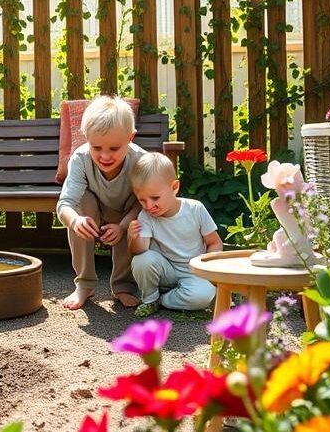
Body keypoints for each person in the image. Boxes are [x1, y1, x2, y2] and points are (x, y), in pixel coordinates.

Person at [56, 96, 146, 310]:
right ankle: (84, 283)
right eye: (97, 148)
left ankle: (123, 286)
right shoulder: (80, 158)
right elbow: (65, 204)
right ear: (86, 138)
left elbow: (143, 203)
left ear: (130, 137)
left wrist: (123, 226)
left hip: (126, 212)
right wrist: (75, 221)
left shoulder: (140, 161)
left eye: (114, 148)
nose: (105, 156)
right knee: (81, 204)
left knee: (135, 221)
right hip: (91, 211)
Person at [128, 152, 222, 317]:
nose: (149, 206)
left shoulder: (195, 209)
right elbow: (140, 251)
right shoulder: (146, 216)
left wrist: (209, 270)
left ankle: (163, 300)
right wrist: (133, 239)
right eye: (142, 200)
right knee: (142, 260)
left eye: (155, 198)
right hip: (166, 271)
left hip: (193, 271)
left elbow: (214, 242)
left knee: (203, 296)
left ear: (174, 187)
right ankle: (150, 299)